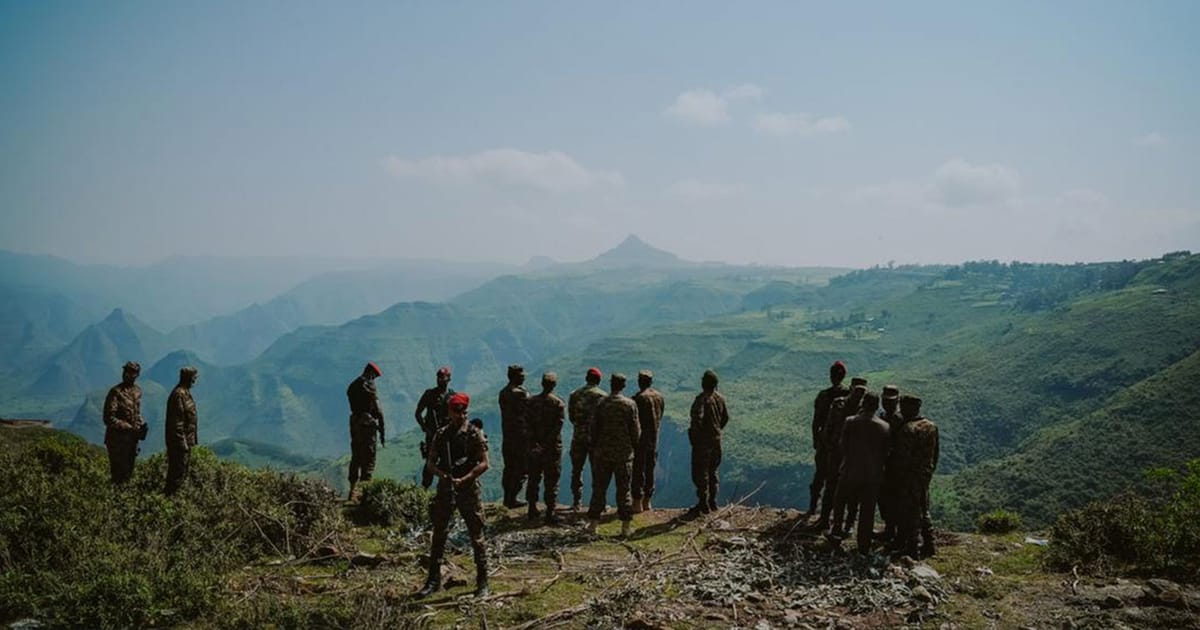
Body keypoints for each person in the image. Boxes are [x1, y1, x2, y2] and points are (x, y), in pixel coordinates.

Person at [417, 392, 491, 599]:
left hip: (468, 489)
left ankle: (483, 582)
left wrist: (465, 478)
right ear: (449, 411)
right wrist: (445, 475)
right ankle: (433, 581)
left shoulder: (474, 434)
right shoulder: (441, 435)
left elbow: (485, 462)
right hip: (446, 489)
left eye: (462, 411)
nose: (460, 415)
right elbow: (430, 464)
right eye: (456, 410)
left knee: (477, 536)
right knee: (439, 534)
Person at [829, 392, 890, 554]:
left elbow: (842, 445)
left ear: (863, 403)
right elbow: (885, 453)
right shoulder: (885, 427)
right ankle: (863, 545)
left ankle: (836, 533)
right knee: (867, 512)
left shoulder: (850, 422)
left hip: (850, 471)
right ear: (877, 406)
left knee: (840, 502)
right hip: (873, 476)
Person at [587, 373, 640, 537]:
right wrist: (632, 447)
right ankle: (625, 527)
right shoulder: (630, 405)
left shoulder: (601, 403)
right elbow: (636, 431)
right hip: (623, 455)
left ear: (611, 384)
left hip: (602, 454)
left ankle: (594, 525)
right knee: (624, 490)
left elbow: (593, 429)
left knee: (599, 489)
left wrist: (596, 447)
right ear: (624, 386)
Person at [814, 379, 867, 530]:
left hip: (853, 458)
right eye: (857, 390)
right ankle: (824, 519)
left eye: (862, 392)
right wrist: (829, 446)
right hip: (835, 453)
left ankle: (847, 525)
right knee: (831, 486)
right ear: (851, 389)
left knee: (852, 492)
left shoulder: (864, 409)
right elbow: (828, 427)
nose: (859, 394)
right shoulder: (838, 404)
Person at [892, 395, 940, 559]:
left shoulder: (908, 429)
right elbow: (936, 453)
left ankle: (912, 548)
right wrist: (929, 470)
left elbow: (901, 458)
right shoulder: (931, 426)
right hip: (925, 474)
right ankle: (930, 544)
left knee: (909, 511)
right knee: (923, 508)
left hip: (909, 476)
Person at [808, 361, 850, 516]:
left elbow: (816, 421)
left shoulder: (823, 395)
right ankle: (832, 513)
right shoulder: (849, 396)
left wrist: (815, 439)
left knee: (820, 475)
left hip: (825, 442)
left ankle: (813, 509)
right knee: (835, 479)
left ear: (831, 376)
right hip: (840, 445)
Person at [526, 372, 566, 524]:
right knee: (551, 481)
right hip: (551, 449)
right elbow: (558, 428)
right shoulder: (558, 404)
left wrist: (534, 444)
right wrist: (545, 445)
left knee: (533, 478)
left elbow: (527, 425)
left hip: (534, 448)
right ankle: (550, 512)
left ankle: (532, 508)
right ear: (554, 385)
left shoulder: (531, 402)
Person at [688, 369, 730, 515]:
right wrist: (716, 431)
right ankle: (713, 502)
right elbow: (725, 418)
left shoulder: (701, 400)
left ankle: (703, 503)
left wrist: (695, 438)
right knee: (713, 471)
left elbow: (696, 420)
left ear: (703, 383)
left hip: (703, 443)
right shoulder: (720, 399)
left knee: (701, 473)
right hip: (716, 442)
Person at [567, 367, 606, 511]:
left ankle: (576, 502)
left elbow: (571, 417)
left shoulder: (575, 395)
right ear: (599, 380)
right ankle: (598, 504)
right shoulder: (603, 396)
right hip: (596, 440)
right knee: (598, 472)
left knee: (577, 470)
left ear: (586, 378)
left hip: (578, 437)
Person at [347, 362, 385, 502]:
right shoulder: (369, 386)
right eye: (374, 376)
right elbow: (378, 409)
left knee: (356, 456)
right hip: (367, 425)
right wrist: (382, 428)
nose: (374, 379)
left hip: (354, 423)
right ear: (370, 373)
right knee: (368, 458)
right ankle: (364, 494)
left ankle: (352, 491)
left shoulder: (352, 386)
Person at [103, 361, 146, 484]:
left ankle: (123, 499)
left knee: (128, 474)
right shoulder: (115, 392)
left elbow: (137, 412)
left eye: (131, 372)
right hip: (117, 442)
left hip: (132, 441)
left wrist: (141, 425)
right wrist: (127, 427)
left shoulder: (138, 391)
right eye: (126, 371)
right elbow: (108, 418)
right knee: (118, 476)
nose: (127, 374)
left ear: (137, 375)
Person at [414, 366, 456, 488]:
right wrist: (425, 428)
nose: (440, 380)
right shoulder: (429, 394)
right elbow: (418, 413)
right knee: (429, 464)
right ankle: (424, 490)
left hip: (448, 436)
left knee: (448, 463)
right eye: (439, 377)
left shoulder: (453, 396)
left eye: (443, 377)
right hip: (432, 435)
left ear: (449, 379)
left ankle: (446, 492)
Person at [631, 369, 664, 514]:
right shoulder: (659, 397)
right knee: (650, 469)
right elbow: (660, 415)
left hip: (640, 440)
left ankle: (637, 502)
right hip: (654, 439)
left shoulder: (637, 399)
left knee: (638, 470)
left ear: (639, 382)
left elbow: (633, 421)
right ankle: (647, 501)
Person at [498, 364, 530, 508]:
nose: (524, 376)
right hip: (520, 437)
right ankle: (512, 498)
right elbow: (530, 409)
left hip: (507, 436)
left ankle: (507, 498)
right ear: (515, 376)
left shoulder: (503, 392)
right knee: (522, 468)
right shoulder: (519, 393)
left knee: (509, 467)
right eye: (522, 374)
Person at [164, 366, 199, 495]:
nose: (195, 381)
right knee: (176, 475)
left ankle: (175, 500)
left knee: (182, 473)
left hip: (185, 443)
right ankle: (169, 500)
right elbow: (177, 423)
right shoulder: (179, 395)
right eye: (194, 378)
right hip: (179, 445)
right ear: (189, 378)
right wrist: (182, 444)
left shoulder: (185, 393)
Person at [876, 385, 903, 541]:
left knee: (896, 499)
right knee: (883, 498)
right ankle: (889, 529)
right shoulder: (881, 416)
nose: (888, 403)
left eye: (891, 401)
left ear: (897, 401)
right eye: (885, 400)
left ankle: (897, 532)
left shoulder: (900, 420)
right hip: (882, 465)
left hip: (896, 467)